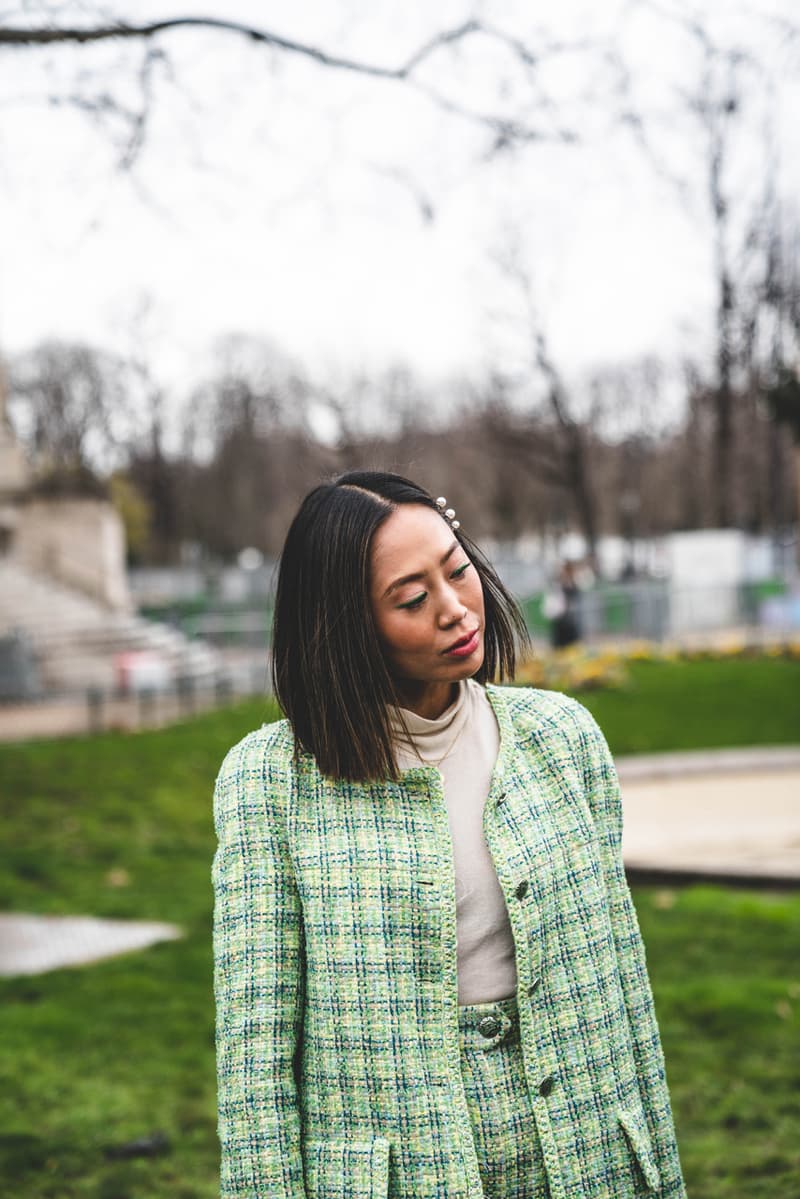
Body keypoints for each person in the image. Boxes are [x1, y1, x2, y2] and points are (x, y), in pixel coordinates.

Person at [212, 470, 686, 1199]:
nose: (457, 607)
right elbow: (255, 1065)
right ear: (345, 624)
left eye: (458, 569)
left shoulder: (563, 739)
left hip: (588, 1163)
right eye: (412, 598)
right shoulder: (270, 783)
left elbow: (623, 988)